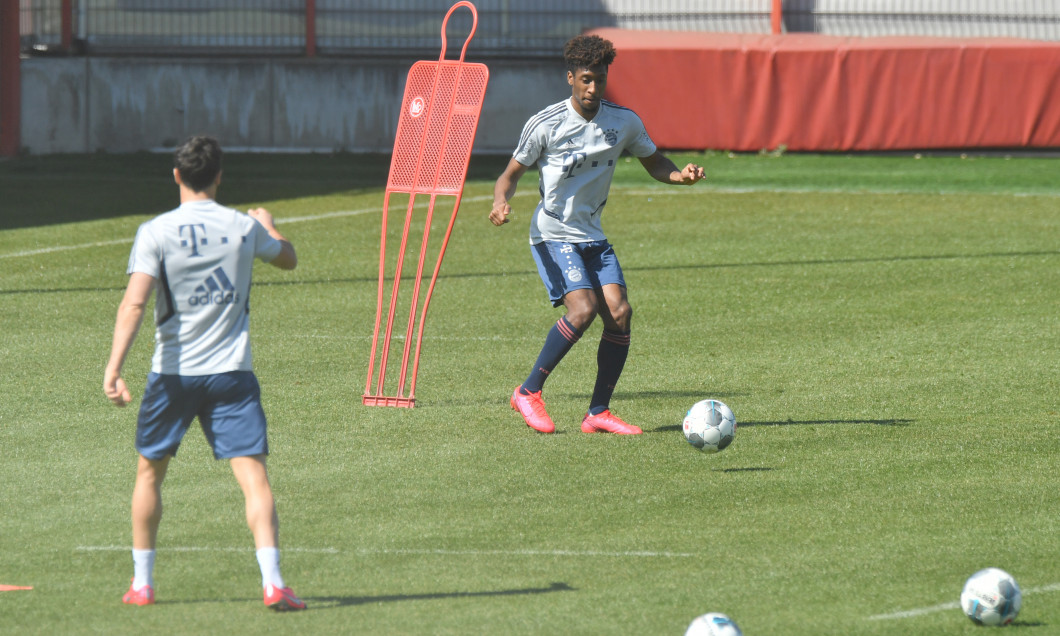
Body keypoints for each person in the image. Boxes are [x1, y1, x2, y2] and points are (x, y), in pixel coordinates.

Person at [103, 135, 305, 611]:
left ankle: (143, 584)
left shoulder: (156, 231)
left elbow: (135, 302)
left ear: (176, 175)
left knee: (149, 475)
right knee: (254, 477)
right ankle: (273, 582)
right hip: (231, 373)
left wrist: (113, 368)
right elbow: (288, 259)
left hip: (172, 374)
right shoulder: (240, 227)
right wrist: (269, 227)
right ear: (218, 176)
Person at [489, 34, 705, 435]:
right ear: (570, 77)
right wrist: (501, 202)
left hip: (593, 235)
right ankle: (527, 392)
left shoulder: (623, 122)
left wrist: (680, 175)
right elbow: (509, 176)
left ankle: (598, 412)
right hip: (553, 234)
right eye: (586, 79)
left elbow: (655, 162)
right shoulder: (546, 123)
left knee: (620, 315)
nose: (592, 88)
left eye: (599, 80)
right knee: (583, 309)